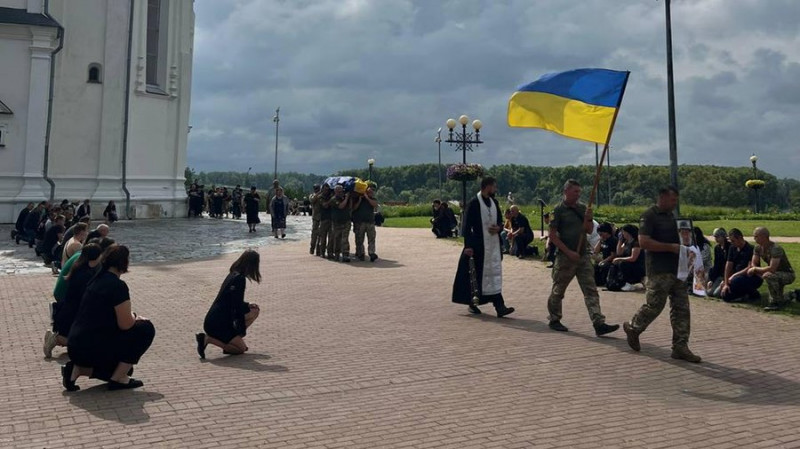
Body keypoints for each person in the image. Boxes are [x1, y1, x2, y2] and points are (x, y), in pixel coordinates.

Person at [623, 186, 701, 363]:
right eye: (673, 200)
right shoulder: (649, 216)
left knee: (682, 308)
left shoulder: (672, 217)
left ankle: (680, 346)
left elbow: (682, 240)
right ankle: (634, 328)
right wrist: (670, 248)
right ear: (663, 197)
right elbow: (644, 242)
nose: (675, 204)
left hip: (677, 270)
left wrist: (687, 246)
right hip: (659, 270)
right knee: (655, 305)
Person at [63, 245, 155, 391]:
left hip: (76, 345)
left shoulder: (95, 280)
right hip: (91, 348)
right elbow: (125, 324)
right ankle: (118, 379)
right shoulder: (117, 286)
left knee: (124, 368)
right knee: (146, 329)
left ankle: (78, 370)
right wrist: (137, 318)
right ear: (124, 263)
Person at [545, 179, 618, 335]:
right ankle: (554, 318)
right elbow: (553, 236)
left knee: (590, 289)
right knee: (558, 290)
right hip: (565, 256)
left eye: (579, 192)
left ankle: (599, 322)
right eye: (575, 192)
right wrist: (568, 252)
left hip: (583, 256)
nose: (578, 195)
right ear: (566, 191)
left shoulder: (583, 208)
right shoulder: (557, 211)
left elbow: (589, 230)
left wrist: (589, 218)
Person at [451, 176, 515, 318]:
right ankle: (473, 302)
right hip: (479, 245)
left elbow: (499, 220)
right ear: (487, 186)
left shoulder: (494, 202)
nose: (495, 189)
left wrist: (498, 228)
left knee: (493, 275)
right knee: (478, 275)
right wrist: (468, 245)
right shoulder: (474, 203)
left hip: (492, 245)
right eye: (494, 186)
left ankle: (500, 306)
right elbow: (467, 227)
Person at [196, 250, 261, 358]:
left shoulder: (233, 273)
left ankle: (232, 341)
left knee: (254, 311)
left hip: (215, 319)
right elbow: (236, 305)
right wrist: (240, 327)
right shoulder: (240, 279)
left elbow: (232, 301)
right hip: (218, 324)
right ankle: (208, 339)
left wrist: (247, 306)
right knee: (240, 349)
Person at [44, 243, 104, 358]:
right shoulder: (85, 274)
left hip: (70, 310)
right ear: (96, 256)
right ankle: (55, 338)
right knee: (82, 344)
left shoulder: (80, 266)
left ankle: (56, 337)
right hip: (73, 313)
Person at [749, 227, 796, 311]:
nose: (754, 238)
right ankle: (792, 294)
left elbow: (772, 268)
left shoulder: (776, 249)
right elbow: (754, 263)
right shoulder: (758, 248)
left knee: (769, 276)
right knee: (769, 277)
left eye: (756, 236)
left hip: (787, 274)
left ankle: (774, 303)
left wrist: (755, 269)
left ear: (764, 236)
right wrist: (755, 269)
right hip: (775, 273)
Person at [720, 228, 760, 303]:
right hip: (736, 277)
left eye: (733, 241)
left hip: (750, 276)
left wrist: (734, 275)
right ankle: (742, 296)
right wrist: (726, 283)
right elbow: (728, 266)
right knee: (725, 295)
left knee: (736, 281)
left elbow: (749, 267)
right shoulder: (732, 248)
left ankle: (754, 294)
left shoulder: (751, 249)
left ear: (740, 238)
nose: (732, 243)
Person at [608, 224, 646, 292]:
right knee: (615, 264)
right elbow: (619, 252)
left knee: (622, 264)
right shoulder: (626, 242)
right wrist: (620, 241)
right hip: (630, 264)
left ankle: (628, 282)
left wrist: (619, 259)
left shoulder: (636, 243)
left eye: (623, 232)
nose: (622, 234)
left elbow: (633, 258)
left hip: (637, 265)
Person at [352, 185, 379, 262]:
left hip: (370, 222)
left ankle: (371, 253)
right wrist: (360, 200)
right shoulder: (358, 199)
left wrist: (367, 198)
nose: (371, 193)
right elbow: (354, 208)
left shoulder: (373, 199)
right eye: (369, 192)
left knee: (371, 238)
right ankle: (361, 253)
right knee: (359, 239)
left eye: (372, 192)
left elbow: (375, 205)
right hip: (360, 222)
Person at [330, 185, 352, 262]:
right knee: (337, 239)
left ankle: (345, 254)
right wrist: (346, 198)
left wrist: (349, 198)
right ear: (335, 192)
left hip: (346, 221)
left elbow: (350, 207)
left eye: (342, 191)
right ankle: (336, 254)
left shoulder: (344, 198)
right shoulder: (333, 199)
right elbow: (341, 206)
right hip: (337, 223)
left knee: (344, 239)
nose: (341, 193)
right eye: (339, 191)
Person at [706, 228, 730, 297]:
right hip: (719, 275)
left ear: (723, 236)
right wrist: (712, 280)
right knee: (709, 293)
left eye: (717, 237)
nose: (716, 239)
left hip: (727, 275)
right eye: (715, 237)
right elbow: (716, 265)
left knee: (716, 294)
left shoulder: (730, 247)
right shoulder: (717, 248)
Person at [593, 222, 618, 287]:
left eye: (602, 233)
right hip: (604, 259)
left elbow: (613, 255)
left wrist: (604, 261)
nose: (600, 235)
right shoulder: (603, 240)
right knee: (595, 266)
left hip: (610, 260)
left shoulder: (613, 240)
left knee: (604, 266)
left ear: (607, 232)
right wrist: (600, 241)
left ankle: (605, 281)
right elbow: (595, 251)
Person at [317, 184, 333, 258]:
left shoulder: (331, 196)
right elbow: (325, 205)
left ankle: (330, 252)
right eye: (325, 189)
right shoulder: (320, 197)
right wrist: (331, 200)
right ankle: (322, 252)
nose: (327, 191)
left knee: (331, 238)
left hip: (331, 219)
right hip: (323, 219)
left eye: (328, 189)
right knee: (322, 238)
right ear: (322, 189)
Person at [309, 184, 322, 255]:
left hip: (322, 218)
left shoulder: (321, 196)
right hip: (315, 218)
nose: (317, 189)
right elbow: (312, 200)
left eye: (318, 188)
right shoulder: (312, 195)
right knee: (314, 234)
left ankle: (318, 250)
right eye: (316, 188)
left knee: (321, 235)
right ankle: (312, 248)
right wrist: (318, 193)